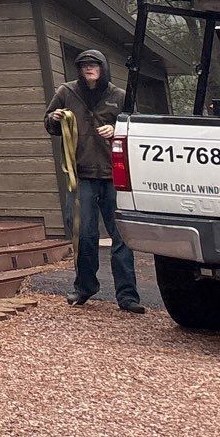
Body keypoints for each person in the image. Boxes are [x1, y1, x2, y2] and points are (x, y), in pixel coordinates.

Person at [45, 48, 145, 312]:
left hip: (114, 175)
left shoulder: (120, 96)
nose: (88, 69)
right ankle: (84, 287)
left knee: (121, 237)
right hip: (82, 175)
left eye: (93, 65)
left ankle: (127, 296)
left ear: (103, 68)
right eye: (84, 65)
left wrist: (116, 129)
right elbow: (49, 124)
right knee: (85, 235)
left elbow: (136, 127)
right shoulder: (66, 92)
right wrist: (55, 118)